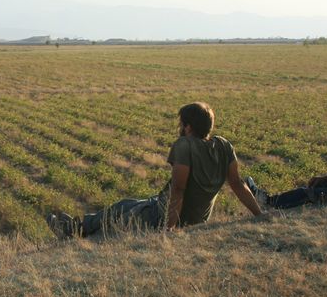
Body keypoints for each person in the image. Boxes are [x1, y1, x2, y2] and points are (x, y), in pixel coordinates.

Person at [47, 102, 263, 238]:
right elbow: (237, 184)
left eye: (181, 124)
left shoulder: (184, 145)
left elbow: (178, 189)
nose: (180, 127)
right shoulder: (224, 145)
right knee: (124, 204)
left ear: (188, 127)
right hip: (194, 218)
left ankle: (74, 232)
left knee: (112, 224)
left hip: (161, 216)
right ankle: (76, 227)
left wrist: (168, 230)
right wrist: (259, 215)